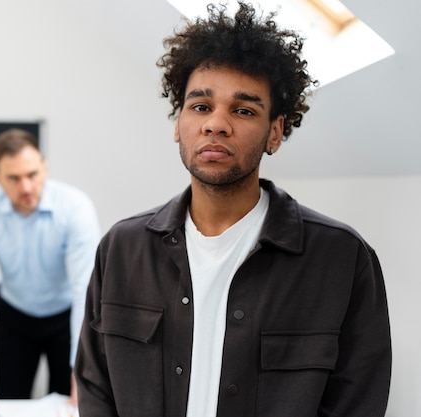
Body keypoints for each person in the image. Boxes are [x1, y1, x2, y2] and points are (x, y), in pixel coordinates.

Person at [74, 2, 392, 416]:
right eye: (201, 107)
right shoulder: (122, 248)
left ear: (274, 132)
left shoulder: (341, 258)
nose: (216, 124)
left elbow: (357, 402)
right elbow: (95, 388)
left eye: (243, 110)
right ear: (179, 124)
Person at [0, 128, 101, 401]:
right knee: (9, 401)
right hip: (16, 317)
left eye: (32, 175)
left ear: (44, 168)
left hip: (66, 316)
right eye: (13, 178)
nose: (25, 187)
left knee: (72, 402)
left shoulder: (75, 208)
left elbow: (84, 289)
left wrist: (82, 365)